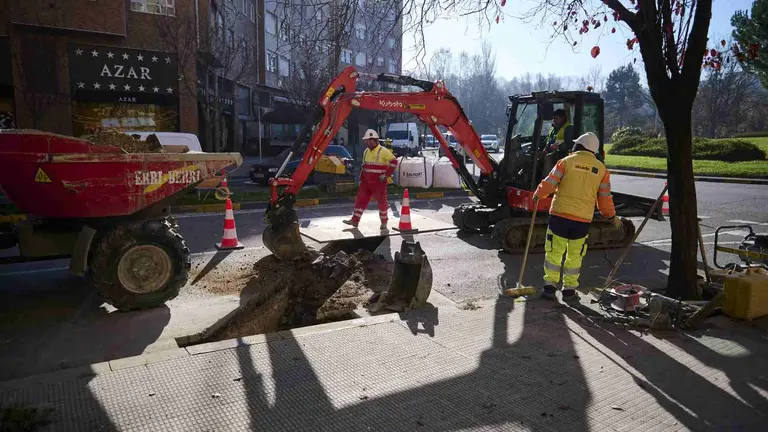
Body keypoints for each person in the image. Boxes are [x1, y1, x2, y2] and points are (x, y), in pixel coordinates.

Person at [533, 132, 621, 303]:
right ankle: (569, 291)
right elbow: (604, 199)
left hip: (559, 216)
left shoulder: (566, 162)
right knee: (575, 255)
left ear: (580, 146)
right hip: (582, 221)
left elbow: (549, 183)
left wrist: (538, 194)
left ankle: (549, 288)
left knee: (554, 252)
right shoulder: (601, 169)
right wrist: (611, 216)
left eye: (576, 144)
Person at [343, 129, 397, 230]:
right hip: (366, 183)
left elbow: (394, 162)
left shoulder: (383, 151)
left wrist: (386, 175)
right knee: (360, 201)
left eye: (367, 140)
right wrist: (361, 179)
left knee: (382, 202)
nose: (366, 142)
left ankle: (384, 222)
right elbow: (364, 167)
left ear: (373, 140)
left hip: (378, 183)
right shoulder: (366, 151)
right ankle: (355, 221)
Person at [540, 109, 574, 176]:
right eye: (553, 118)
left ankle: (546, 180)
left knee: (548, 157)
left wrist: (559, 146)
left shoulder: (569, 128)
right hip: (552, 152)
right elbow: (548, 141)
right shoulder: (553, 129)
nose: (554, 120)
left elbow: (570, 144)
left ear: (563, 118)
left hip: (562, 155)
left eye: (556, 118)